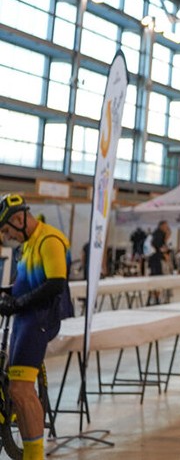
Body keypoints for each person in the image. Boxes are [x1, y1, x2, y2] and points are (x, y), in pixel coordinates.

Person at [0, 194, 73, 460]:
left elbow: (55, 284)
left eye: (7, 230)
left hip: (40, 319)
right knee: (15, 389)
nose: (8, 236)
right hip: (26, 317)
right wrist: (7, 294)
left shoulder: (49, 239)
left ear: (19, 218)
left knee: (20, 389)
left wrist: (18, 303)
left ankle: (34, 457)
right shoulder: (28, 244)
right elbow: (26, 284)